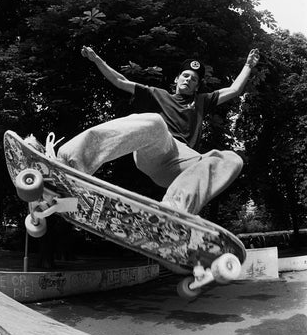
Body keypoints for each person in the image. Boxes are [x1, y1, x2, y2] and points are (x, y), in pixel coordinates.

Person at [57, 46, 259, 216]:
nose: (188, 80)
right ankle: (72, 161)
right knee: (155, 122)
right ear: (177, 79)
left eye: (194, 79)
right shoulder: (159, 95)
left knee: (231, 159)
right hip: (158, 149)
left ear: (197, 86)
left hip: (182, 164)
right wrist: (97, 60)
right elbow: (121, 81)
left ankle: (176, 210)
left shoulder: (202, 101)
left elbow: (233, 90)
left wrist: (248, 65)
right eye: (185, 76)